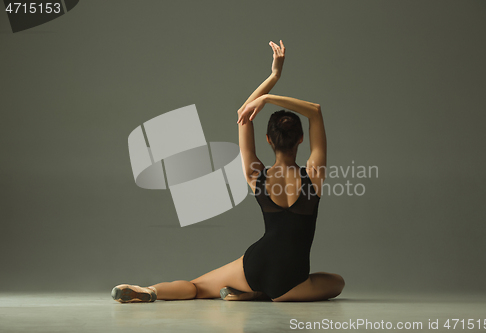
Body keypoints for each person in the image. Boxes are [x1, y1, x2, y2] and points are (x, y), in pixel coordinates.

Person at [111, 40, 345, 303]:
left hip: (256, 264)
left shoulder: (256, 174)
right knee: (336, 282)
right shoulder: (314, 175)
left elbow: (243, 114)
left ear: (268, 139)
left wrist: (273, 77)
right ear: (301, 139)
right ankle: (263, 294)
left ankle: (150, 291)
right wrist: (271, 99)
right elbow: (315, 111)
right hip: (292, 277)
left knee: (197, 287)